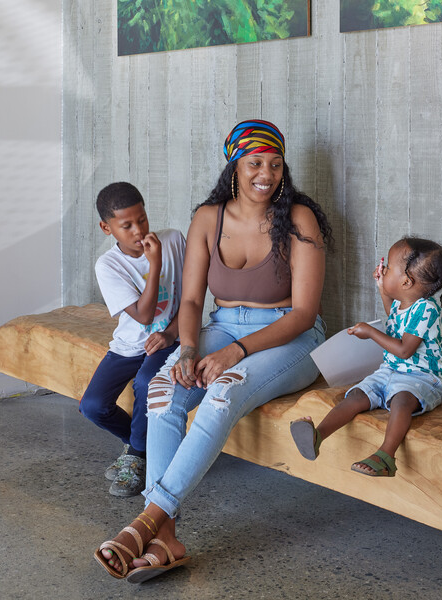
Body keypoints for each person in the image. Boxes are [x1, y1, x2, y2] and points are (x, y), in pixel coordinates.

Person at [94, 119, 334, 582]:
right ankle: (166, 540)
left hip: (291, 337)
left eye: (275, 164)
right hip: (221, 326)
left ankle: (146, 523)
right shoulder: (209, 217)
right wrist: (186, 350)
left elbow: (304, 313)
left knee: (222, 393)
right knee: (163, 392)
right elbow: (189, 299)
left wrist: (236, 353)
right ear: (234, 167)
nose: (266, 173)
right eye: (254, 163)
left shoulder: (299, 218)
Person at [290, 237, 442, 477]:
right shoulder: (402, 302)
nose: (382, 269)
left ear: (406, 282)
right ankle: (317, 436)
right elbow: (393, 317)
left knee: (402, 400)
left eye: (388, 269)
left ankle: (386, 455)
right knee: (357, 394)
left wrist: (370, 332)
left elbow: (405, 349)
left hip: (423, 377)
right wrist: (383, 289)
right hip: (390, 371)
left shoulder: (427, 309)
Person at [80, 182, 185, 497]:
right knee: (92, 406)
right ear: (106, 228)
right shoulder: (108, 265)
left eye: (142, 219)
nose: (139, 231)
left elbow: (194, 295)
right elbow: (143, 315)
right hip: (129, 344)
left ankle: (136, 458)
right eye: (126, 225)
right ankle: (143, 447)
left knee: (145, 382)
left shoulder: (175, 240)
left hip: (169, 339)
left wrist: (172, 332)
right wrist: (154, 265)